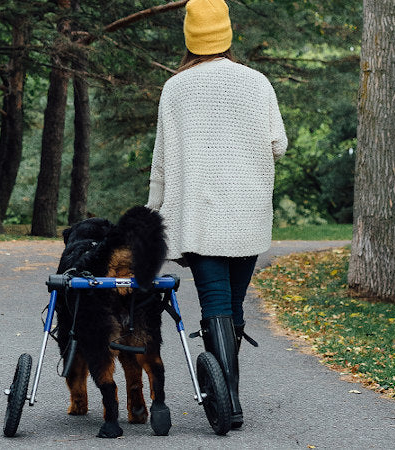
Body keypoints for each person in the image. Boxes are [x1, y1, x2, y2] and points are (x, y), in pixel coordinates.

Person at [145, 0, 287, 429]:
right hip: (247, 210)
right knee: (234, 304)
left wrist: (154, 212)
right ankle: (229, 398)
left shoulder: (176, 88)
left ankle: (227, 402)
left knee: (216, 303)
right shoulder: (257, 83)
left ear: (190, 37)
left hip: (200, 213)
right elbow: (278, 144)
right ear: (227, 33)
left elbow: (162, 161)